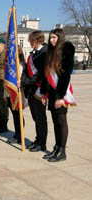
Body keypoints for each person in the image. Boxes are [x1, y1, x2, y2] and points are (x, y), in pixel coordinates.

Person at [41, 28, 76, 162]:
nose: (51, 40)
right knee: (55, 121)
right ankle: (56, 148)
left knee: (61, 120)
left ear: (60, 38)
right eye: (50, 38)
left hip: (61, 91)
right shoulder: (50, 53)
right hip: (51, 92)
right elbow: (46, 75)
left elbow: (65, 75)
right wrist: (44, 92)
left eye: (54, 37)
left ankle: (62, 151)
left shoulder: (66, 51)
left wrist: (60, 97)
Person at [20, 31, 48, 152]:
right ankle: (38, 139)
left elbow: (40, 75)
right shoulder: (32, 54)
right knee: (35, 117)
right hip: (31, 90)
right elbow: (27, 71)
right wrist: (22, 81)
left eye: (31, 41)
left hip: (39, 90)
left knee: (41, 118)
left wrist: (24, 82)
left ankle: (42, 143)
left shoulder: (44, 53)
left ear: (38, 40)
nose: (30, 43)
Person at [7, 47, 26, 144]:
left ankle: (19, 134)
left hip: (19, 93)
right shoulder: (10, 65)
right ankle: (17, 133)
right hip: (10, 93)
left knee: (18, 115)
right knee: (15, 114)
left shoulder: (21, 65)